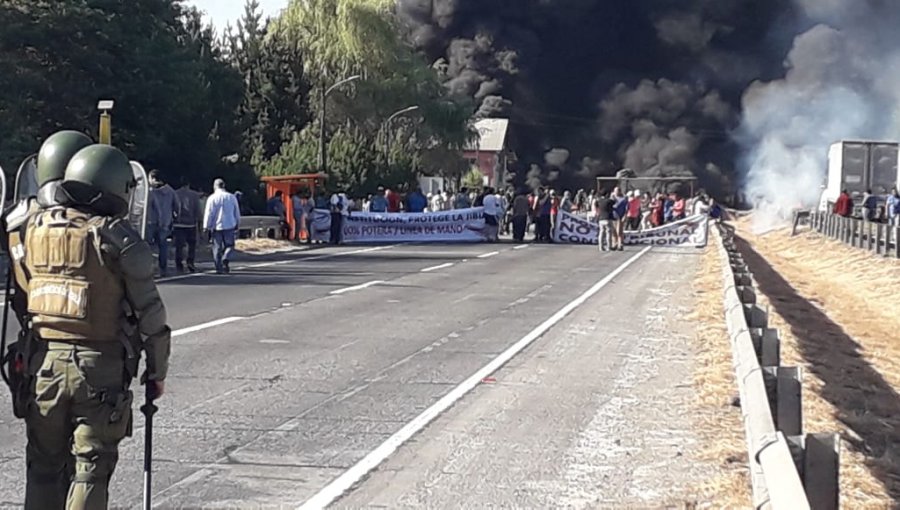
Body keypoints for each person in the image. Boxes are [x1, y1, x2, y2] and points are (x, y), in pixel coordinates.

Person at [7, 143, 170, 510]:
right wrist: (156, 371)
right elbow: (151, 317)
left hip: (43, 366)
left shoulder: (30, 230)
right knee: (90, 469)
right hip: (100, 370)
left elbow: (23, 297)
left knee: (44, 465)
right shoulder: (115, 238)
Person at [204, 178, 241, 274]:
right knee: (230, 245)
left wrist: (206, 226)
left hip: (216, 226)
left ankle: (218, 267)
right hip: (229, 225)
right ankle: (226, 257)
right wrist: (237, 222)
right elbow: (236, 211)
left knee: (217, 247)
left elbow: (209, 213)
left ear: (215, 186)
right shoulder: (231, 197)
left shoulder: (212, 198)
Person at [147, 170, 177, 276]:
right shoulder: (170, 191)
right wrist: (174, 217)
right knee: (163, 246)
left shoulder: (149, 191)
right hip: (165, 222)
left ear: (153, 178)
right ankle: (163, 269)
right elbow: (177, 206)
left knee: (147, 246)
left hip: (150, 221)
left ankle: (149, 269)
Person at [173, 176, 201, 273]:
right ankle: (190, 261)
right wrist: (199, 222)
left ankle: (179, 264)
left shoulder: (175, 194)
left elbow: (173, 208)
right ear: (189, 184)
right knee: (191, 245)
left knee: (179, 246)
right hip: (191, 224)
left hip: (178, 224)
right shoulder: (194, 195)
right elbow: (198, 211)